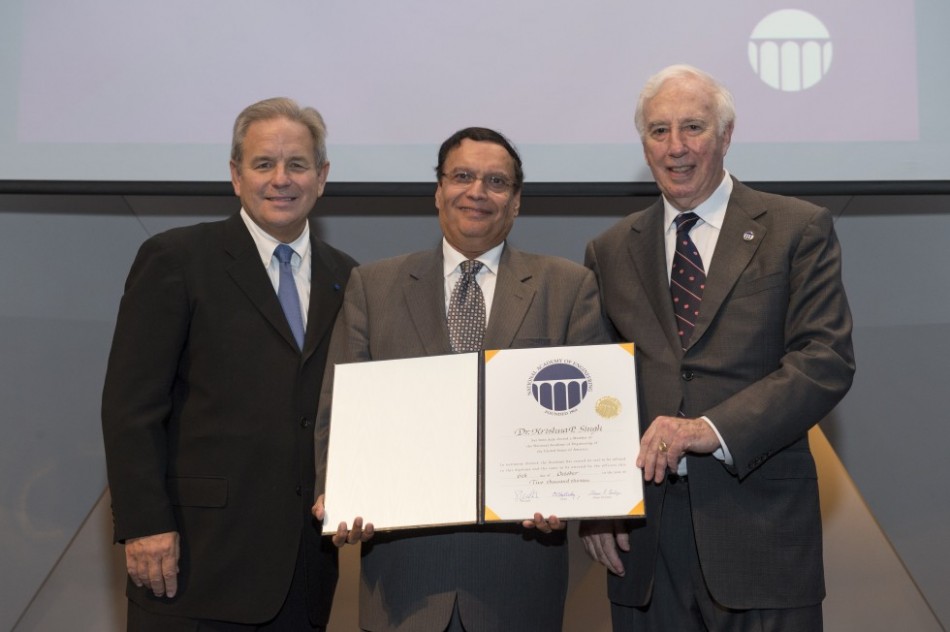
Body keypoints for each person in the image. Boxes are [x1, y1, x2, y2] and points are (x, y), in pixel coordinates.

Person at [580, 65, 856, 631]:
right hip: (645, 544)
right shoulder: (609, 250)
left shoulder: (796, 228)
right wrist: (597, 502)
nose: (675, 147)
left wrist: (711, 429)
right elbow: (598, 391)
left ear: (726, 135)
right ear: (644, 144)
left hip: (762, 532)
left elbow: (824, 360)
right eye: (659, 131)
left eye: (693, 127)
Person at [312, 127, 610, 631]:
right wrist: (340, 493)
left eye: (496, 181)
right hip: (404, 582)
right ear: (438, 191)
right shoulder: (373, 287)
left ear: (516, 201)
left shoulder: (568, 287)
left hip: (516, 581)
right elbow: (337, 414)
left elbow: (591, 420)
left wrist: (572, 494)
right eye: (462, 176)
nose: (477, 192)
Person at [101, 97, 357, 631]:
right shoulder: (176, 259)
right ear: (236, 176)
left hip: (303, 572)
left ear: (322, 177)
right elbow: (131, 407)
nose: (281, 179)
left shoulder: (349, 277)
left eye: (297, 164)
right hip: (192, 563)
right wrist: (144, 524)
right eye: (264, 164)